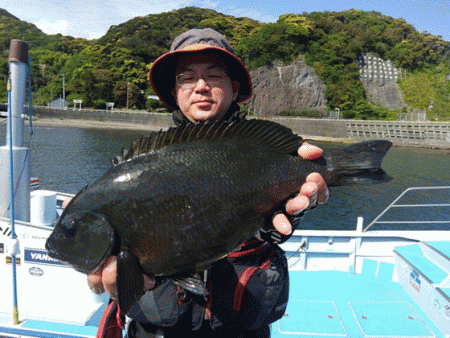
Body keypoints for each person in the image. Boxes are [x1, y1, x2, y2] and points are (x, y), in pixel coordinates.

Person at [88, 28, 329, 337]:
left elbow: (271, 229)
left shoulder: (263, 152)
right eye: (186, 78)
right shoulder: (138, 168)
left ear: (234, 86)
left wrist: (288, 211)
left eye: (214, 76)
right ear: (174, 92)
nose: (200, 86)